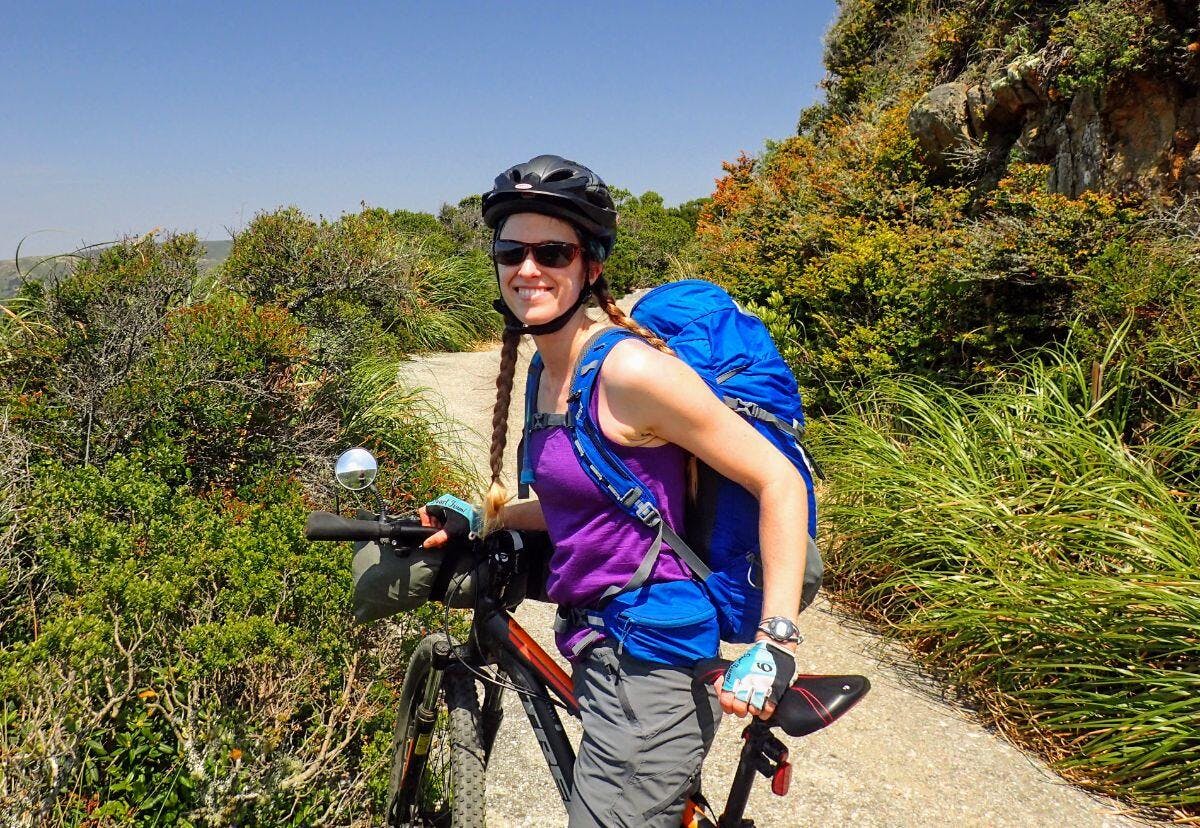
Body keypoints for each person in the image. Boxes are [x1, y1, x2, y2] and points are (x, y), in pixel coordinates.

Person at [420, 154, 810, 827]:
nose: (528, 268)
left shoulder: (628, 372)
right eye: (511, 251)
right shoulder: (547, 373)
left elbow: (774, 478)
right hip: (600, 646)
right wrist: (484, 518)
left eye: (553, 252)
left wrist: (776, 643)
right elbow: (586, 503)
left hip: (651, 665)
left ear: (591, 266)